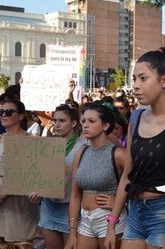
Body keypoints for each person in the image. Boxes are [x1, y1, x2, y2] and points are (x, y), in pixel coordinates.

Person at [104, 47, 165, 249]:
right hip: (135, 210)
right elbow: (128, 174)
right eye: (134, 79)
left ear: (164, 81)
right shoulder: (136, 118)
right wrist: (112, 223)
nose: (135, 86)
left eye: (143, 78)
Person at [65, 102, 127, 249]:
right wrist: (72, 232)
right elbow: (75, 195)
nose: (85, 125)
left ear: (106, 126)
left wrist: (122, 203)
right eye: (84, 121)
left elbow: (138, 183)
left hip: (110, 218)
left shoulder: (118, 154)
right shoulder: (81, 152)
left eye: (92, 121)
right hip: (85, 219)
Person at [0, 100, 40, 243]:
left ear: (21, 116)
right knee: (3, 241)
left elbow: (32, 172)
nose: (3, 115)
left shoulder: (31, 140)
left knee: (22, 242)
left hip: (20, 199)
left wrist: (6, 192)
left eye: (8, 112)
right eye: (0, 112)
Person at [37, 104, 86, 249]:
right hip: (48, 205)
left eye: (62, 121)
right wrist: (36, 190)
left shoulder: (83, 146)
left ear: (74, 123)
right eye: (55, 120)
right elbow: (40, 173)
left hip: (70, 207)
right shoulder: (47, 145)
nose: (56, 124)